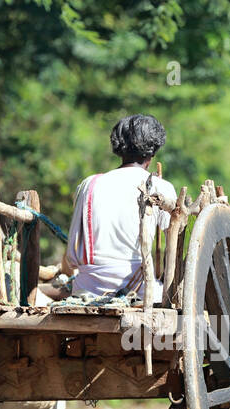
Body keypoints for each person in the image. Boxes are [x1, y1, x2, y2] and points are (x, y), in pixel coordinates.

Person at [61, 113, 176, 298]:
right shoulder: (161, 187)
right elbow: (174, 245)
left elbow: (71, 259)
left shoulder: (89, 184)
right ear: (153, 152)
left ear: (117, 148)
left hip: (87, 290)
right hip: (140, 292)